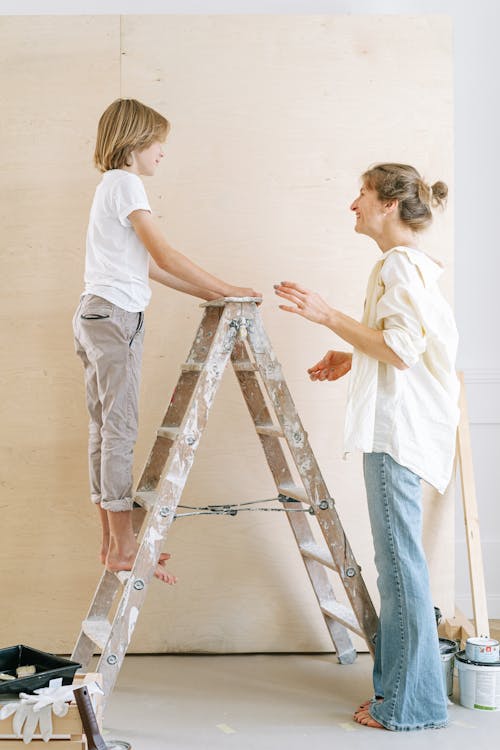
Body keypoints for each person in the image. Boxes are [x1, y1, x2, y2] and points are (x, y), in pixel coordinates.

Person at [274, 162, 459, 731]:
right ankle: (408, 696)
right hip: (409, 432)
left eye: (361, 195)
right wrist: (354, 358)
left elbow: (403, 350)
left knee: (400, 571)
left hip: (397, 437)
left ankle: (410, 706)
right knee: (403, 568)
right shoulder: (416, 267)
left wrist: (328, 316)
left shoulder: (398, 266)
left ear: (388, 205)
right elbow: (418, 352)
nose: (352, 205)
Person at [73, 98, 260, 584]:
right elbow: (165, 253)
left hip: (96, 312)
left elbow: (150, 267)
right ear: (135, 144)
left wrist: (213, 294)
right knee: (119, 430)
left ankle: (110, 543)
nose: (163, 152)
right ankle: (123, 542)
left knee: (104, 430)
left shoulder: (109, 188)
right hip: (114, 317)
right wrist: (230, 288)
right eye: (159, 143)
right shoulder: (127, 183)